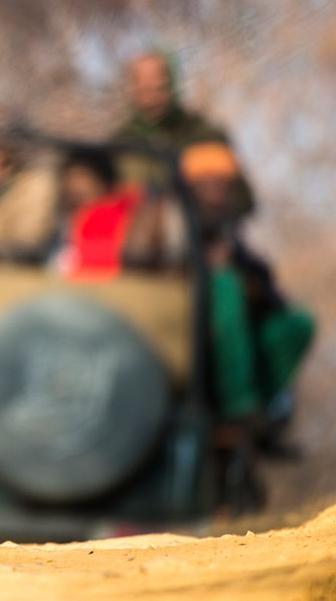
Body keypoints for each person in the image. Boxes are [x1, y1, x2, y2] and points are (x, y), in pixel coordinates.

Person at [180, 142, 315, 446]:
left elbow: (259, 275)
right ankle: (239, 407)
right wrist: (207, 266)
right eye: (207, 182)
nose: (216, 190)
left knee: (297, 325)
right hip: (190, 319)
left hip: (235, 326)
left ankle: (261, 410)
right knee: (225, 287)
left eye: (222, 183)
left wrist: (260, 289)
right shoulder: (175, 220)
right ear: (191, 186)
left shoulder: (228, 227)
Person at [113, 50, 255, 216]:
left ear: (172, 86)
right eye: (144, 89)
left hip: (200, 228)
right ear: (132, 89)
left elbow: (242, 201)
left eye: (159, 88)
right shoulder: (118, 146)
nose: (152, 97)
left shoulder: (204, 135)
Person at [51, 149, 142, 280]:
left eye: (82, 176)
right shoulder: (64, 213)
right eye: (68, 177)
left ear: (102, 181)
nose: (72, 185)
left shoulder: (112, 212)